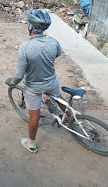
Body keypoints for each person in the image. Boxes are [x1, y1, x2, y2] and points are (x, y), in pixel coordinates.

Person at [5, 9, 68, 153]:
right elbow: (57, 54)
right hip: (51, 82)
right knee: (59, 99)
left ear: (31, 27)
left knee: (34, 116)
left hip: (33, 87)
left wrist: (12, 82)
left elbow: (20, 75)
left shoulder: (25, 47)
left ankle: (31, 144)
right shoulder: (53, 42)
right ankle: (72, 120)